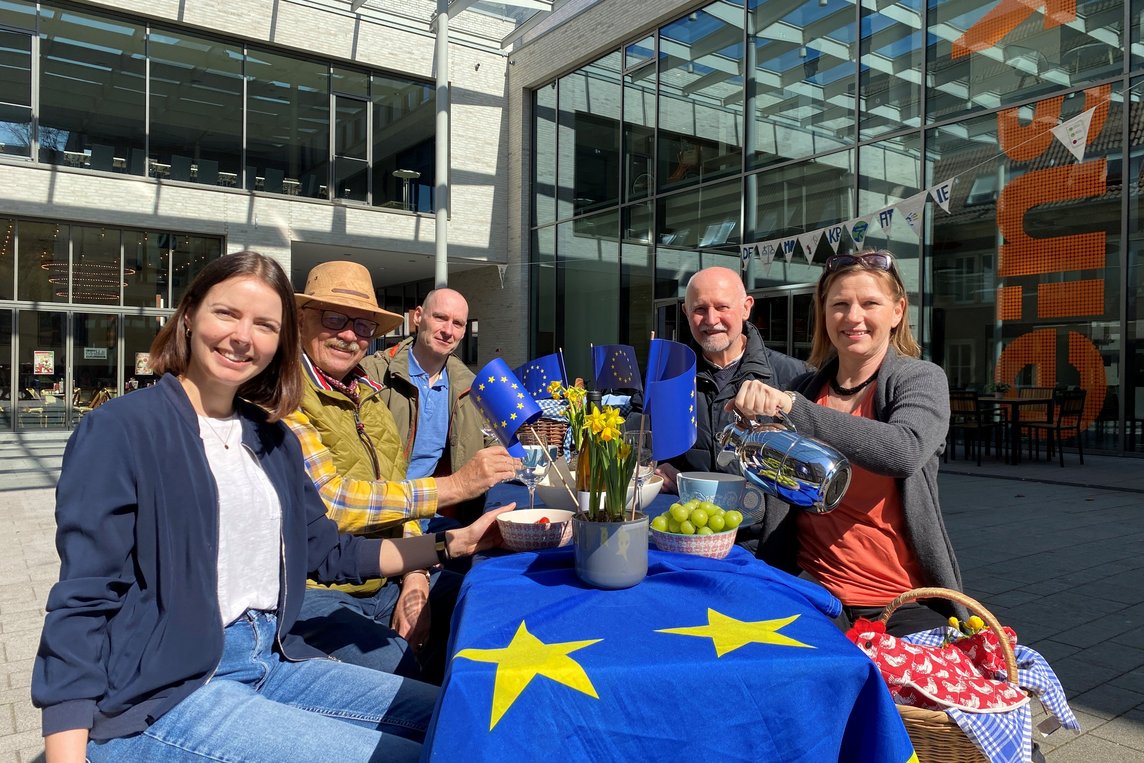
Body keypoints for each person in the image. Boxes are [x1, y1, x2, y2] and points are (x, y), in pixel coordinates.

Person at [32, 251, 513, 763]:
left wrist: (456, 543)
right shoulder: (123, 429)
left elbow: (328, 553)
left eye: (264, 324)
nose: (244, 336)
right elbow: (83, 599)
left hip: (272, 656)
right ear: (189, 314)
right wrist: (66, 751)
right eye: (227, 313)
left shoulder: (270, 435)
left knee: (468, 718)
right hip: (168, 694)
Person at [285, 262, 515, 685]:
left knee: (487, 606)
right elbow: (332, 502)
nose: (349, 334)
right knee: (406, 670)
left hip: (386, 569)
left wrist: (415, 576)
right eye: (334, 318)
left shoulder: (370, 397)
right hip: (315, 588)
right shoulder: (284, 393)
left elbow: (396, 493)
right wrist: (456, 487)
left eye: (363, 325)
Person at [728, 248, 962, 636]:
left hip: (901, 600)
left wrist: (791, 407)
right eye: (839, 304)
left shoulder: (920, 380)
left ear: (898, 311)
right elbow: (773, 481)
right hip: (813, 592)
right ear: (825, 314)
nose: (853, 317)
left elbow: (903, 450)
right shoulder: (806, 389)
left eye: (870, 303)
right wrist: (749, 432)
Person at [656, 265, 805, 493]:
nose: (711, 319)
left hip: (763, 527)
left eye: (722, 307)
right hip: (689, 523)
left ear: (746, 308)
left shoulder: (795, 377)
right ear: (686, 312)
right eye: (700, 309)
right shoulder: (666, 376)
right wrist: (661, 471)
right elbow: (642, 445)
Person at [361, 288, 488, 529]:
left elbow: (494, 440)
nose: (448, 331)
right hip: (377, 514)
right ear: (417, 317)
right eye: (440, 318)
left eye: (458, 324)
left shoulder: (471, 388)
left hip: (433, 516)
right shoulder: (372, 374)